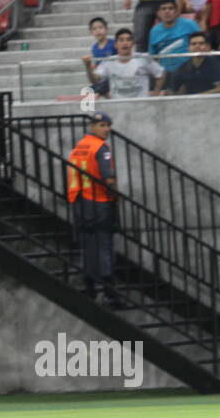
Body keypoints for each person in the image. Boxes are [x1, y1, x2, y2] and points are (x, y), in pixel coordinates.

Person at [67, 112, 118, 302]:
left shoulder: (80, 147)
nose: (107, 129)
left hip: (80, 202)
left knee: (88, 245)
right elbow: (108, 178)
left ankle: (89, 287)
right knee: (104, 246)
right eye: (102, 125)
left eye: (108, 125)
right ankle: (109, 291)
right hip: (99, 202)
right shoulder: (101, 148)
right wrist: (116, 197)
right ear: (92, 127)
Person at [92, 27, 164, 98]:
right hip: (119, 107)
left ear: (133, 44)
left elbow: (160, 73)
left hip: (141, 106)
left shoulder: (143, 58)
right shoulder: (108, 62)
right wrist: (87, 65)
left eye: (128, 40)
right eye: (121, 40)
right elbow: (95, 79)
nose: (125, 43)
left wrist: (156, 93)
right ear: (115, 45)